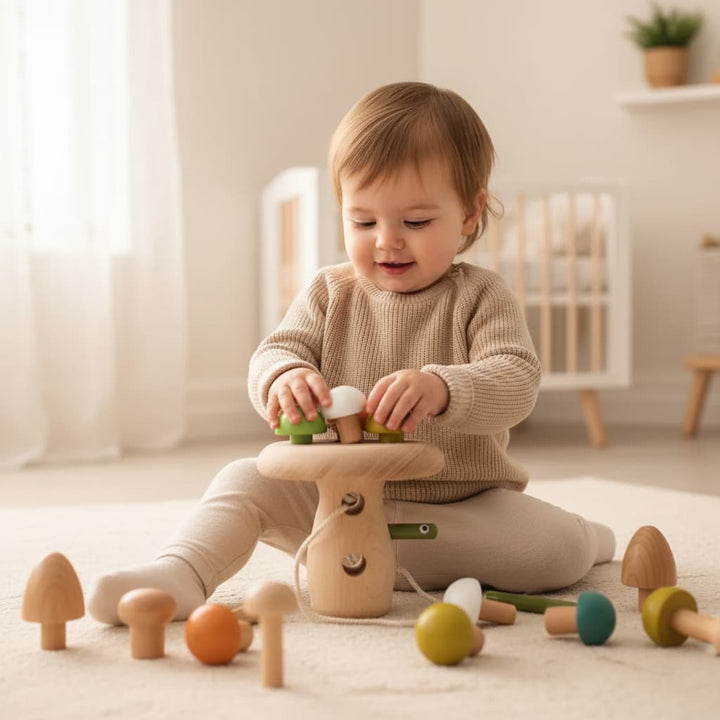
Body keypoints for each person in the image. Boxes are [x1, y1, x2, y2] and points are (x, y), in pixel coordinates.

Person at [88, 81, 614, 625]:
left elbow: (516, 379)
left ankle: (590, 536)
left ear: (468, 214)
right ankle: (181, 571)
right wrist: (284, 377)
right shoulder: (328, 291)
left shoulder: (481, 295)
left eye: (415, 222)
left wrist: (443, 388)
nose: (387, 240)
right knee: (242, 479)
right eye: (363, 221)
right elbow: (275, 351)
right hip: (334, 505)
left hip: (457, 510)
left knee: (552, 549)